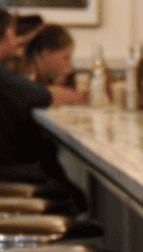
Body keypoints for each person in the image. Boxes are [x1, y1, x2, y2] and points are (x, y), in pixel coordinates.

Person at [0, 10, 86, 189]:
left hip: (9, 171)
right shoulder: (4, 76)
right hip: (11, 174)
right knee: (75, 197)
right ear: (8, 34)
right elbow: (46, 96)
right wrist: (82, 95)